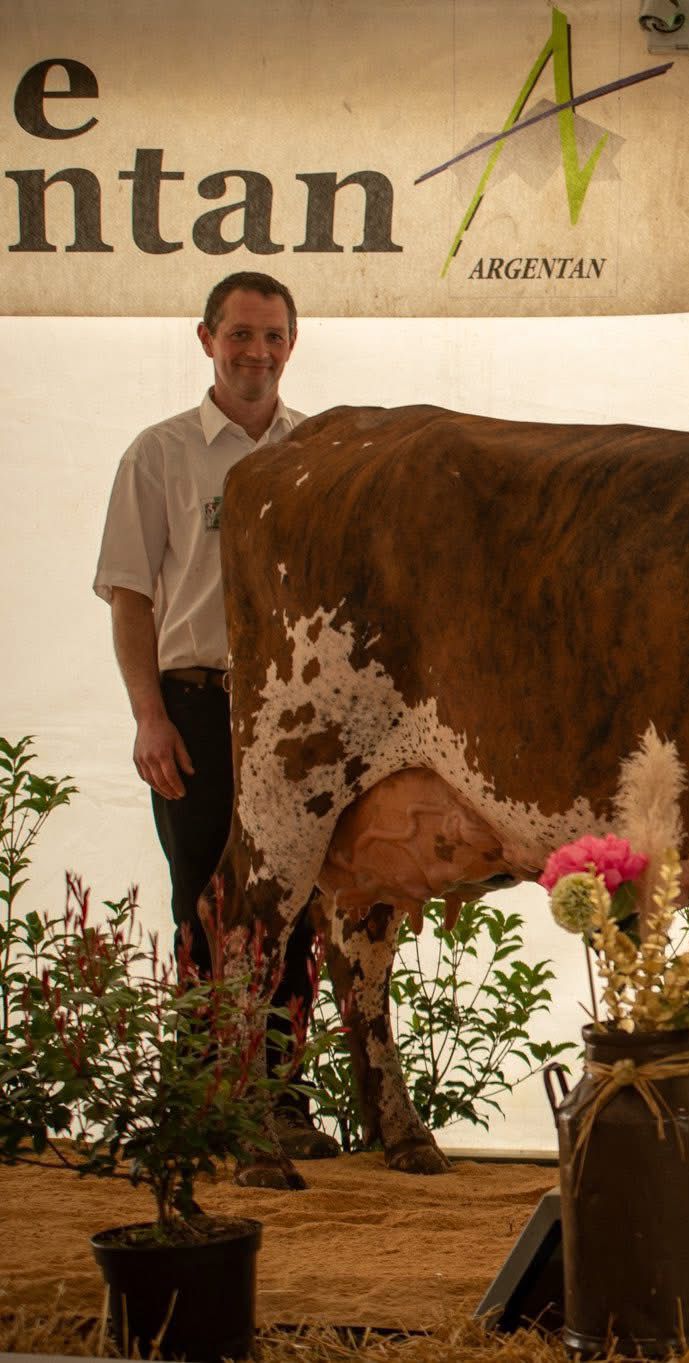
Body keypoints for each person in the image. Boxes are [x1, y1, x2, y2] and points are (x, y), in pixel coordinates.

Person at [93, 271, 336, 1160]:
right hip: (196, 708)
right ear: (206, 340)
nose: (256, 352)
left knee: (296, 908)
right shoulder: (157, 455)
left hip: (297, 720)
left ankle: (281, 1104)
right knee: (205, 901)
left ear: (291, 345)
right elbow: (128, 600)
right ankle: (203, 1104)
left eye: (272, 335)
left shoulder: (322, 452)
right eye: (239, 334)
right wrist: (148, 717)